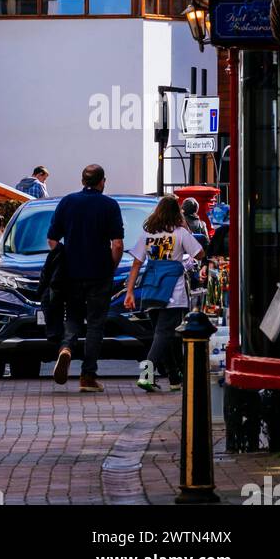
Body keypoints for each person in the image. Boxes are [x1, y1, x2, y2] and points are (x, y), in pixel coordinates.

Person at [47, 164, 124, 394]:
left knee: (73, 316)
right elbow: (117, 244)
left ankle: (66, 348)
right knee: (96, 324)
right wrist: (111, 266)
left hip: (71, 272)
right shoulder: (110, 205)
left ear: (82, 181)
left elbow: (52, 240)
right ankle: (88, 376)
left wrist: (63, 258)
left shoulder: (67, 202)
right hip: (99, 272)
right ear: (102, 182)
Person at [123, 194, 204, 393]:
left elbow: (136, 263)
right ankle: (146, 375)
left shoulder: (147, 234)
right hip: (173, 290)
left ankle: (174, 377)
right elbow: (200, 253)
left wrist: (130, 292)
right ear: (176, 213)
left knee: (163, 336)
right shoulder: (181, 233)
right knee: (163, 334)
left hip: (151, 287)